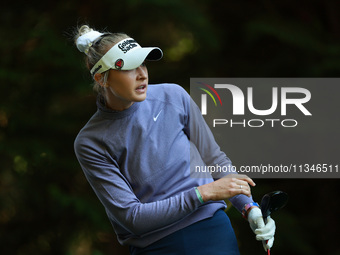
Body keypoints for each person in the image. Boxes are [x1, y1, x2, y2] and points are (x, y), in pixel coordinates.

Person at [73, 25, 276, 255]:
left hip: (214, 233)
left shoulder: (174, 95)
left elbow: (214, 159)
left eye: (143, 63)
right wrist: (204, 193)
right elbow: (132, 218)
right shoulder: (90, 141)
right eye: (129, 67)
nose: (142, 74)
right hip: (156, 248)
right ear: (102, 78)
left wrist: (250, 208)